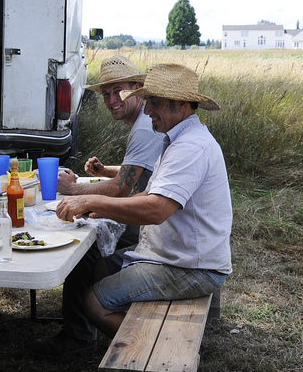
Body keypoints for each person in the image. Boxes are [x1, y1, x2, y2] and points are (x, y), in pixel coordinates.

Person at [54, 63, 232, 337]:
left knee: (93, 302)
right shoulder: (178, 138)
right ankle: (122, 336)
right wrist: (100, 207)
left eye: (155, 103)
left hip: (191, 267)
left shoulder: (190, 147)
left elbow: (156, 209)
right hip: (172, 255)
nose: (147, 111)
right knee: (102, 264)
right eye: (147, 102)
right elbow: (149, 194)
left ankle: (159, 347)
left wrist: (91, 203)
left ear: (182, 105)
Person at [28, 56, 166, 358]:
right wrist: (104, 172)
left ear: (138, 90)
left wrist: (74, 191)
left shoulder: (144, 127)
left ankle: (80, 332)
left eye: (119, 92)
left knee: (85, 249)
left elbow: (122, 189)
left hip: (162, 224)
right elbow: (138, 172)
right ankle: (91, 316)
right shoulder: (144, 121)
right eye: (106, 94)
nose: (111, 100)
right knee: (93, 236)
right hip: (161, 214)